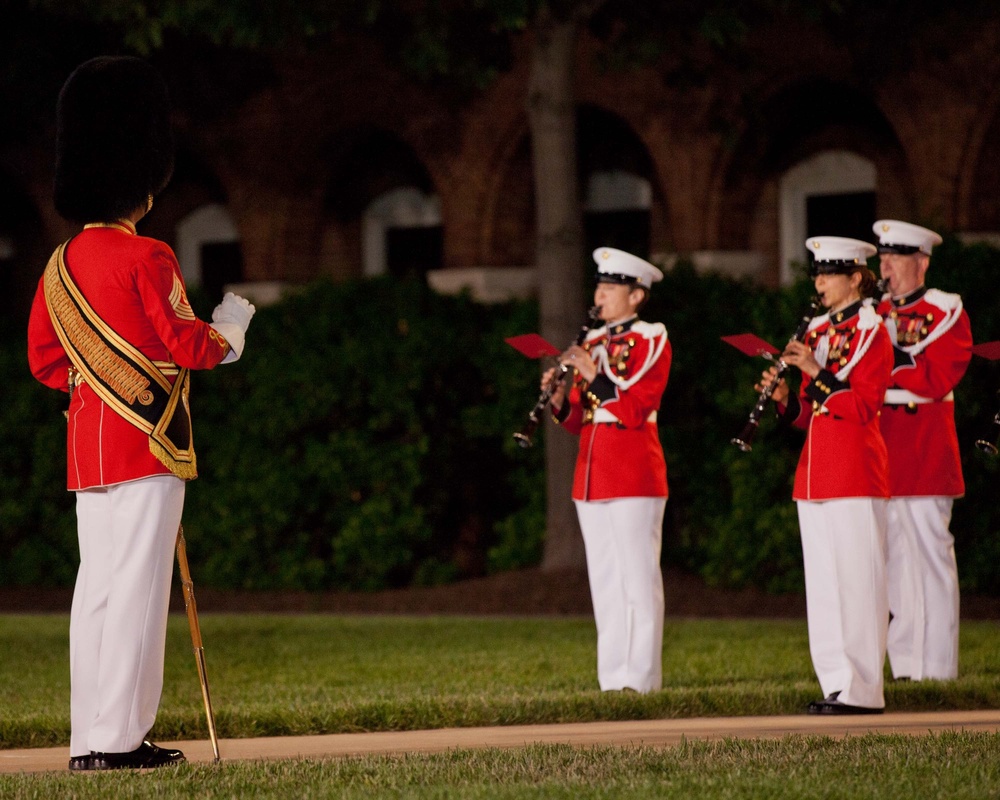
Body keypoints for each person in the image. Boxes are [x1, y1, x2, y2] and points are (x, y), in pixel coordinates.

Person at [27, 57, 255, 771]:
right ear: (144, 180)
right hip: (149, 447)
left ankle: (88, 739)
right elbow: (189, 345)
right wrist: (235, 327)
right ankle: (121, 741)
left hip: (88, 452)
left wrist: (95, 389)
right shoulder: (148, 254)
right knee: (138, 591)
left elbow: (44, 361)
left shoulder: (59, 264)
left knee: (95, 592)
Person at [759, 236, 893, 714]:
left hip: (856, 470)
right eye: (816, 272)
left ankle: (864, 690)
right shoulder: (818, 329)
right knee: (825, 588)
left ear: (856, 278)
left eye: (828, 273)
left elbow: (862, 405)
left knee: (860, 583)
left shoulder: (875, 330)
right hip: (815, 472)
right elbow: (810, 412)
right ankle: (837, 682)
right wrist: (781, 402)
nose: (817, 281)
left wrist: (814, 369)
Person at [544, 246, 670, 693]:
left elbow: (635, 407)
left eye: (610, 287)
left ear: (636, 296)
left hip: (634, 471)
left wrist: (592, 373)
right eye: (598, 286)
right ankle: (612, 680)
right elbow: (582, 419)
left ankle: (642, 681)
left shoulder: (651, 337)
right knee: (606, 582)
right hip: (592, 474)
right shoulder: (593, 343)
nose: (599, 295)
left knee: (638, 579)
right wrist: (559, 400)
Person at [873, 220, 972, 682]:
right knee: (895, 564)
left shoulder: (945, 310)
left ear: (923, 263)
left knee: (930, 559)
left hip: (925, 450)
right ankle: (907, 668)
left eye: (895, 258)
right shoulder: (873, 314)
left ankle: (937, 670)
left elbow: (937, 377)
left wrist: (887, 369)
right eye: (882, 258)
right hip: (884, 452)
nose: (885, 267)